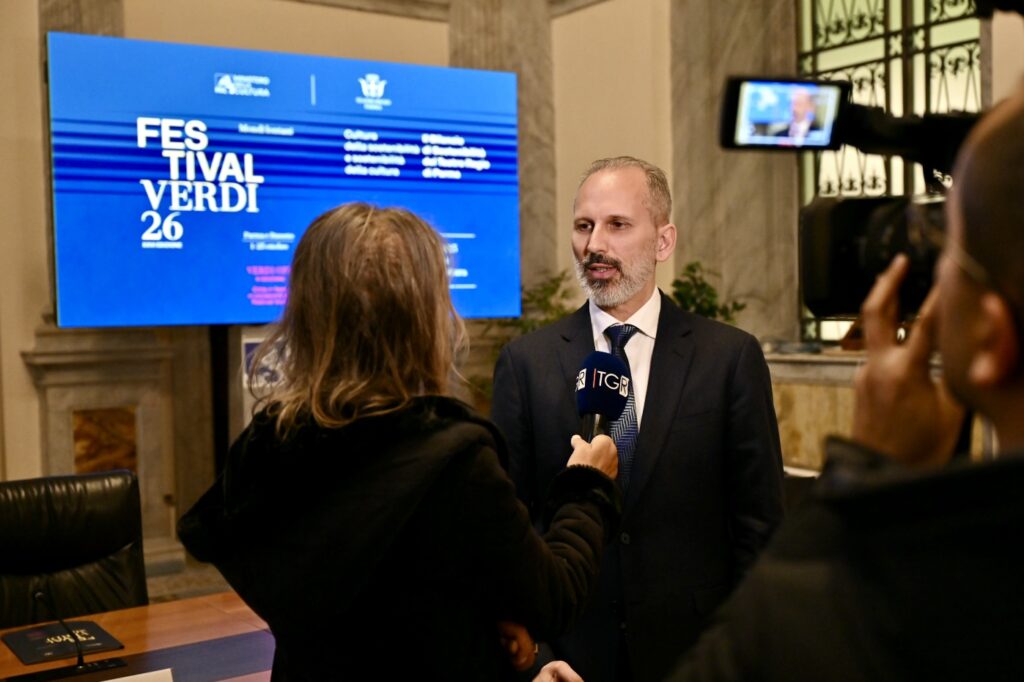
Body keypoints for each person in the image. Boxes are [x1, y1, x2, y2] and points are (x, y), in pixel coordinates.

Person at [657, 88, 1024, 681]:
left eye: (946, 248)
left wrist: (864, 475)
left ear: (991, 335)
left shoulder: (924, 601)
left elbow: (745, 656)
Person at [176, 202, 622, 681]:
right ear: (422, 318)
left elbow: (366, 601)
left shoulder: (265, 447)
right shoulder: (453, 461)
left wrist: (477, 620)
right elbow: (553, 600)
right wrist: (586, 486)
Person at [491, 157, 785, 682]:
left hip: (697, 656)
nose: (594, 244)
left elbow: (758, 527)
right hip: (570, 658)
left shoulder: (729, 358)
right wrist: (540, 654)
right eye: (584, 226)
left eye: (618, 225)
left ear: (663, 241)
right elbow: (510, 528)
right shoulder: (526, 362)